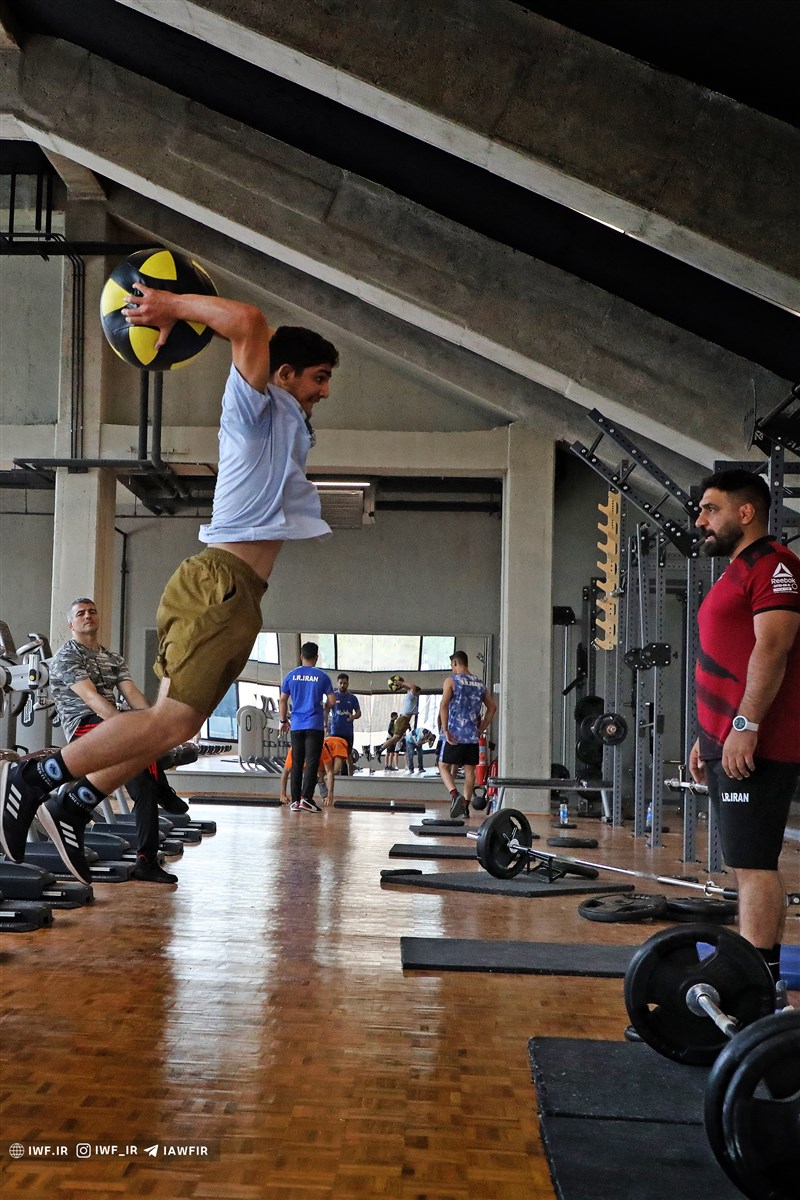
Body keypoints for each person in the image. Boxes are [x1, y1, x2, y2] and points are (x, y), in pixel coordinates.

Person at [0, 285, 338, 884]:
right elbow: (249, 320)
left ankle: (77, 803)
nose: (325, 391)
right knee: (170, 724)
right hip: (217, 587)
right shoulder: (253, 408)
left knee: (172, 725)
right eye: (319, 377)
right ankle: (37, 776)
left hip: (241, 595)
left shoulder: (289, 422)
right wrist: (168, 306)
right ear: (282, 372)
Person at [689, 468, 800, 990]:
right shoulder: (736, 572)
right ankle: (763, 983)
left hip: (758, 743)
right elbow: (729, 656)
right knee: (747, 864)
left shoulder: (775, 565)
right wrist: (708, 735)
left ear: (746, 511)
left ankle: (752, 991)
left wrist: (744, 724)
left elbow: (772, 649)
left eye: (711, 509)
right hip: (728, 740)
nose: (701, 520)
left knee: (753, 865)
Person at [47, 597, 188, 884]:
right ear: (71, 624)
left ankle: (146, 861)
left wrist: (155, 723)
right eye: (81, 614)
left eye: (92, 611)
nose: (88, 616)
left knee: (145, 786)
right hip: (84, 727)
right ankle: (164, 789)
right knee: (144, 755)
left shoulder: (112, 657)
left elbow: (132, 694)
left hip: (112, 724)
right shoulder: (67, 656)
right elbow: (91, 699)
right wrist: (126, 729)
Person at [438, 651, 497, 818]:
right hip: (472, 735)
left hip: (454, 734)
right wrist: (481, 729)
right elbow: (492, 708)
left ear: (455, 663)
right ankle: (465, 807)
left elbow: (444, 706)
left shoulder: (451, 681)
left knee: (443, 766)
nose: (452, 668)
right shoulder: (479, 683)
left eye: (452, 665)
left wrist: (445, 730)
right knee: (470, 771)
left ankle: (455, 795)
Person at [279, 643, 335, 811]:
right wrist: (325, 705)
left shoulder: (291, 676)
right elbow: (332, 701)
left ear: (301, 656)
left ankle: (295, 801)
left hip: (296, 725)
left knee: (296, 762)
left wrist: (283, 721)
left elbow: (283, 700)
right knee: (311, 762)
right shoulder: (322, 677)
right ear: (316, 658)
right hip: (314, 725)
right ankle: (307, 799)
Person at [278, 734, 350, 807]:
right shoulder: (294, 751)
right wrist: (282, 794)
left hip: (337, 744)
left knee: (334, 770)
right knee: (316, 775)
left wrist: (330, 796)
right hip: (314, 755)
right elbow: (285, 772)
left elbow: (330, 772)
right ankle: (311, 794)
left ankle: (322, 794)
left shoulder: (321, 748)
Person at [375, 681, 421, 764]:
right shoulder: (411, 697)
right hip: (403, 719)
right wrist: (401, 683)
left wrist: (403, 685)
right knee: (395, 738)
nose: (418, 694)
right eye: (418, 692)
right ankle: (379, 748)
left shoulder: (411, 697)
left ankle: (380, 748)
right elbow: (412, 687)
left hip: (404, 720)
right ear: (415, 692)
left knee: (396, 739)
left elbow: (409, 688)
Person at [328, 673, 361, 774]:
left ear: (348, 684)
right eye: (341, 683)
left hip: (347, 731)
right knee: (335, 754)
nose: (342, 685)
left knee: (347, 754)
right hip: (335, 731)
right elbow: (326, 710)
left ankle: (349, 774)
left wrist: (353, 717)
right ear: (337, 683)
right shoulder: (333, 696)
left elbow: (359, 712)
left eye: (345, 683)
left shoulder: (352, 698)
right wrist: (325, 724)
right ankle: (333, 774)